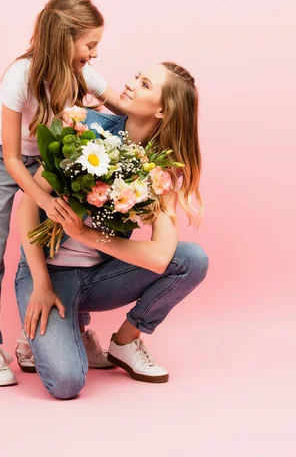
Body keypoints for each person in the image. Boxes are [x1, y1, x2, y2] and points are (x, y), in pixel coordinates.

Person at [15, 61, 209, 399]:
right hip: (47, 276)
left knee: (191, 259)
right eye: (137, 76)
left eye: (145, 84)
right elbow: (29, 205)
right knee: (66, 384)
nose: (131, 84)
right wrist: (41, 285)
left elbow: (162, 256)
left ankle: (125, 341)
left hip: (100, 279)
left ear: (163, 110)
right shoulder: (85, 125)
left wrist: (85, 235)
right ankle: (58, 332)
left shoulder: (159, 167)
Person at [0, 0, 122, 386]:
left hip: (45, 155)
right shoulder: (20, 75)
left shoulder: (82, 73)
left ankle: (34, 340)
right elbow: (10, 159)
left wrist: (167, 106)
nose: (94, 53)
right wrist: (44, 199)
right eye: (90, 44)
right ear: (66, 38)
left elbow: (124, 112)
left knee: (61, 241)